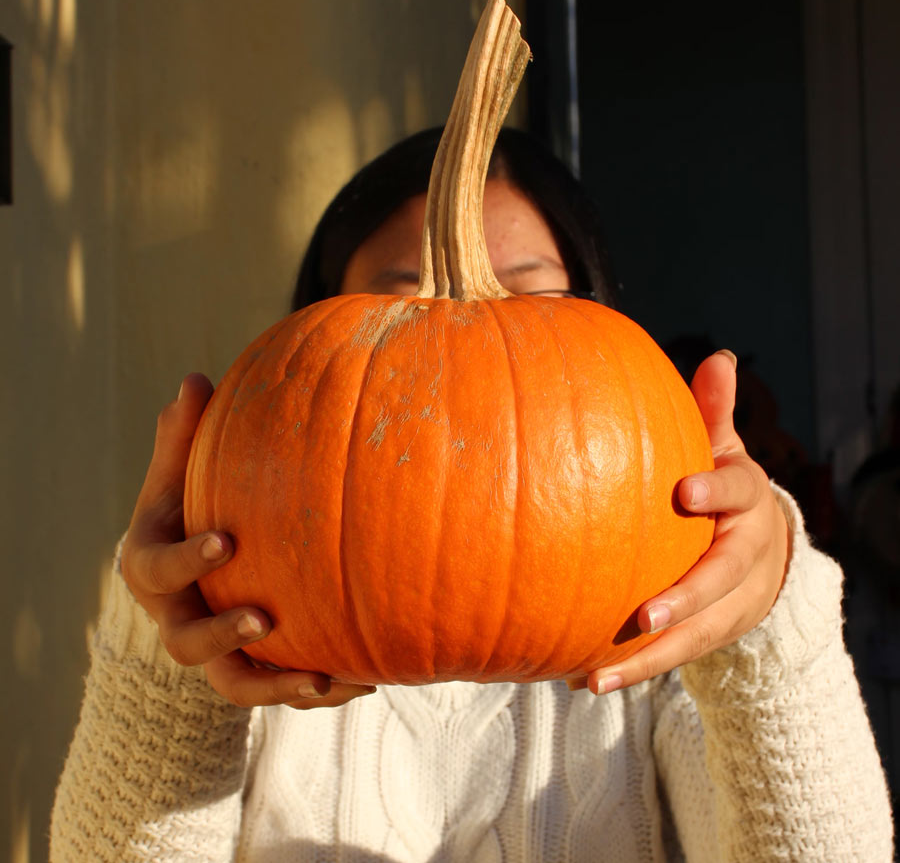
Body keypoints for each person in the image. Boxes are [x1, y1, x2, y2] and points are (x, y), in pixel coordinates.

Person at [50, 127, 894, 861]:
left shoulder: (654, 630)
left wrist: (766, 612)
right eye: (401, 298)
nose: (469, 353)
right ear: (313, 342)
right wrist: (173, 642)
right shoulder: (265, 631)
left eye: (529, 297)